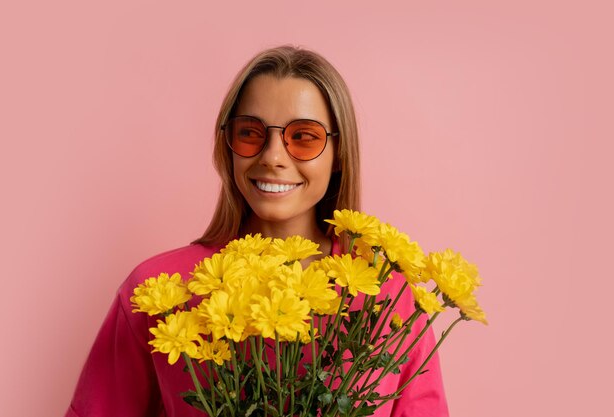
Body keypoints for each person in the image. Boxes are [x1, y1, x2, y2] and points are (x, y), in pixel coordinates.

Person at [65, 45, 449, 417]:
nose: (272, 156)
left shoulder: (391, 303)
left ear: (339, 155)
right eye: (250, 133)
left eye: (303, 137)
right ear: (226, 146)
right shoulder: (154, 290)